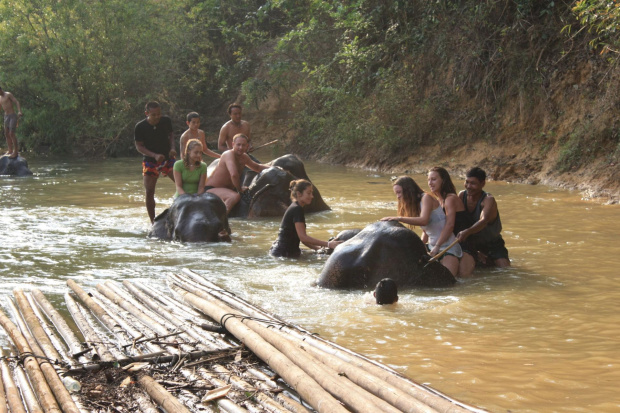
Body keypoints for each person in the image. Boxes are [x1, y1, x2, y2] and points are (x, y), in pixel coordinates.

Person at [381, 175, 462, 277]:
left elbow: (424, 221)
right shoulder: (416, 204)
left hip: (447, 248)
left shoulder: (426, 198)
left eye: (399, 192)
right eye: (396, 193)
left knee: (448, 284)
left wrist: (399, 218)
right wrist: (420, 246)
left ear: (408, 190)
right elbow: (426, 231)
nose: (398, 196)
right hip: (432, 247)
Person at [456, 167, 510, 272]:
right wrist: (474, 250)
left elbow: (483, 220)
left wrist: (467, 232)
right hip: (471, 243)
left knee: (505, 271)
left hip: (492, 244)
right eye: (466, 182)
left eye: (473, 183)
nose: (468, 186)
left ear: (483, 184)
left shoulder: (488, 199)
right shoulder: (462, 195)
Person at [270, 179, 342, 257]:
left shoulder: (295, 207)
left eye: (311, 193)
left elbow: (301, 238)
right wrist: (328, 244)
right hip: (283, 254)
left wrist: (317, 248)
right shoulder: (297, 209)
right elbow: (303, 237)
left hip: (283, 251)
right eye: (308, 193)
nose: (312, 196)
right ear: (299, 194)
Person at [134, 101, 177, 223]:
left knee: (181, 183)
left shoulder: (166, 121)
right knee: (149, 191)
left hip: (168, 158)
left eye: (159, 114)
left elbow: (171, 135)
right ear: (147, 113)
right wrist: (154, 155)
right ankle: (153, 222)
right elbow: (139, 146)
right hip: (150, 161)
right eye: (154, 115)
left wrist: (173, 148)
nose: (157, 117)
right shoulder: (140, 127)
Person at [205, 134, 267, 213]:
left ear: (247, 146)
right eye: (238, 145)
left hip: (228, 189)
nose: (240, 148)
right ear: (233, 144)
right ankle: (223, 219)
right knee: (234, 196)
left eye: (243, 145)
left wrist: (275, 167)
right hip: (211, 189)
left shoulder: (244, 157)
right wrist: (239, 189)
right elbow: (234, 174)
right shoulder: (228, 154)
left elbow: (258, 168)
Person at [0, 86, 23, 158]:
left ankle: (15, 152)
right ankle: (10, 150)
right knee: (6, 133)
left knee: (11, 133)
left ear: (0, 89)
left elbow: (16, 102)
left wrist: (19, 111)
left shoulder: (8, 94)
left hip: (12, 116)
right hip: (6, 116)